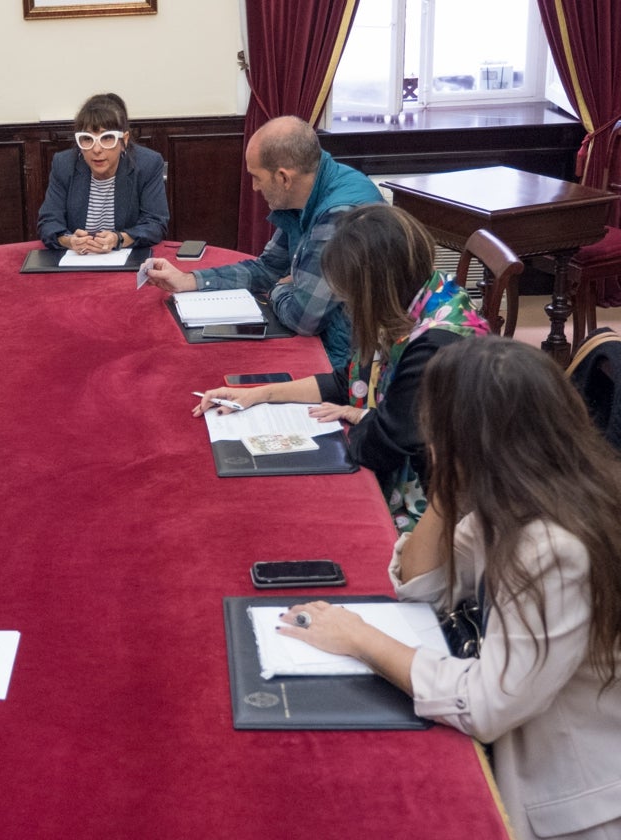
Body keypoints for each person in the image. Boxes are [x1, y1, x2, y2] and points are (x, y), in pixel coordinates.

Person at [277, 336, 621, 840]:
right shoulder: (519, 492)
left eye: (438, 430)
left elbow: (487, 706)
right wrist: (445, 487)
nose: (428, 443)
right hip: (525, 736)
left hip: (568, 800)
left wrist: (359, 638)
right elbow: (421, 587)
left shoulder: (554, 546)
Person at [193, 205, 490, 531]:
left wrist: (360, 420)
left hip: (442, 504)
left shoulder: (433, 345)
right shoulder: (422, 297)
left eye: (349, 293)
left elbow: (380, 448)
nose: (347, 304)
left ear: (375, 286)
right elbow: (349, 380)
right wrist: (259, 394)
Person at [145, 115, 383, 367]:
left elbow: (303, 319)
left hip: (351, 364)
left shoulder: (338, 215)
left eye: (256, 177)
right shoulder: (310, 187)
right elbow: (268, 268)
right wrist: (188, 280)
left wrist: (280, 289)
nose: (254, 188)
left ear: (283, 178)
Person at [37, 93, 169, 254]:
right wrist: (69, 241)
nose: (97, 149)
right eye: (87, 139)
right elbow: (48, 221)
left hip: (125, 259)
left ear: (124, 140)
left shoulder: (147, 163)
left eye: (107, 138)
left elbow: (155, 224)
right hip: (77, 261)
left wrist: (118, 239)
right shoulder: (64, 164)